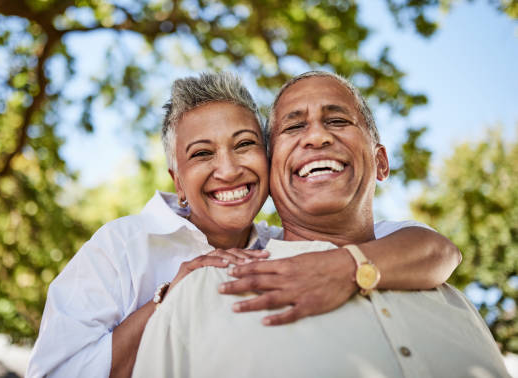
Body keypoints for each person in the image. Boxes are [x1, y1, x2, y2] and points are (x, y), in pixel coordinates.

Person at [26, 73, 461, 377]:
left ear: (271, 163)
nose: (229, 169)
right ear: (177, 181)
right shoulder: (125, 244)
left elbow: (436, 250)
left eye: (246, 145)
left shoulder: (283, 246)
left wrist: (345, 268)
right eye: (201, 154)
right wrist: (166, 301)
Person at [131, 71, 509, 378]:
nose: (316, 136)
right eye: (293, 128)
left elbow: (441, 248)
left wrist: (352, 267)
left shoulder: (449, 297)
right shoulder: (204, 294)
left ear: (380, 162)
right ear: (270, 163)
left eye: (338, 120)